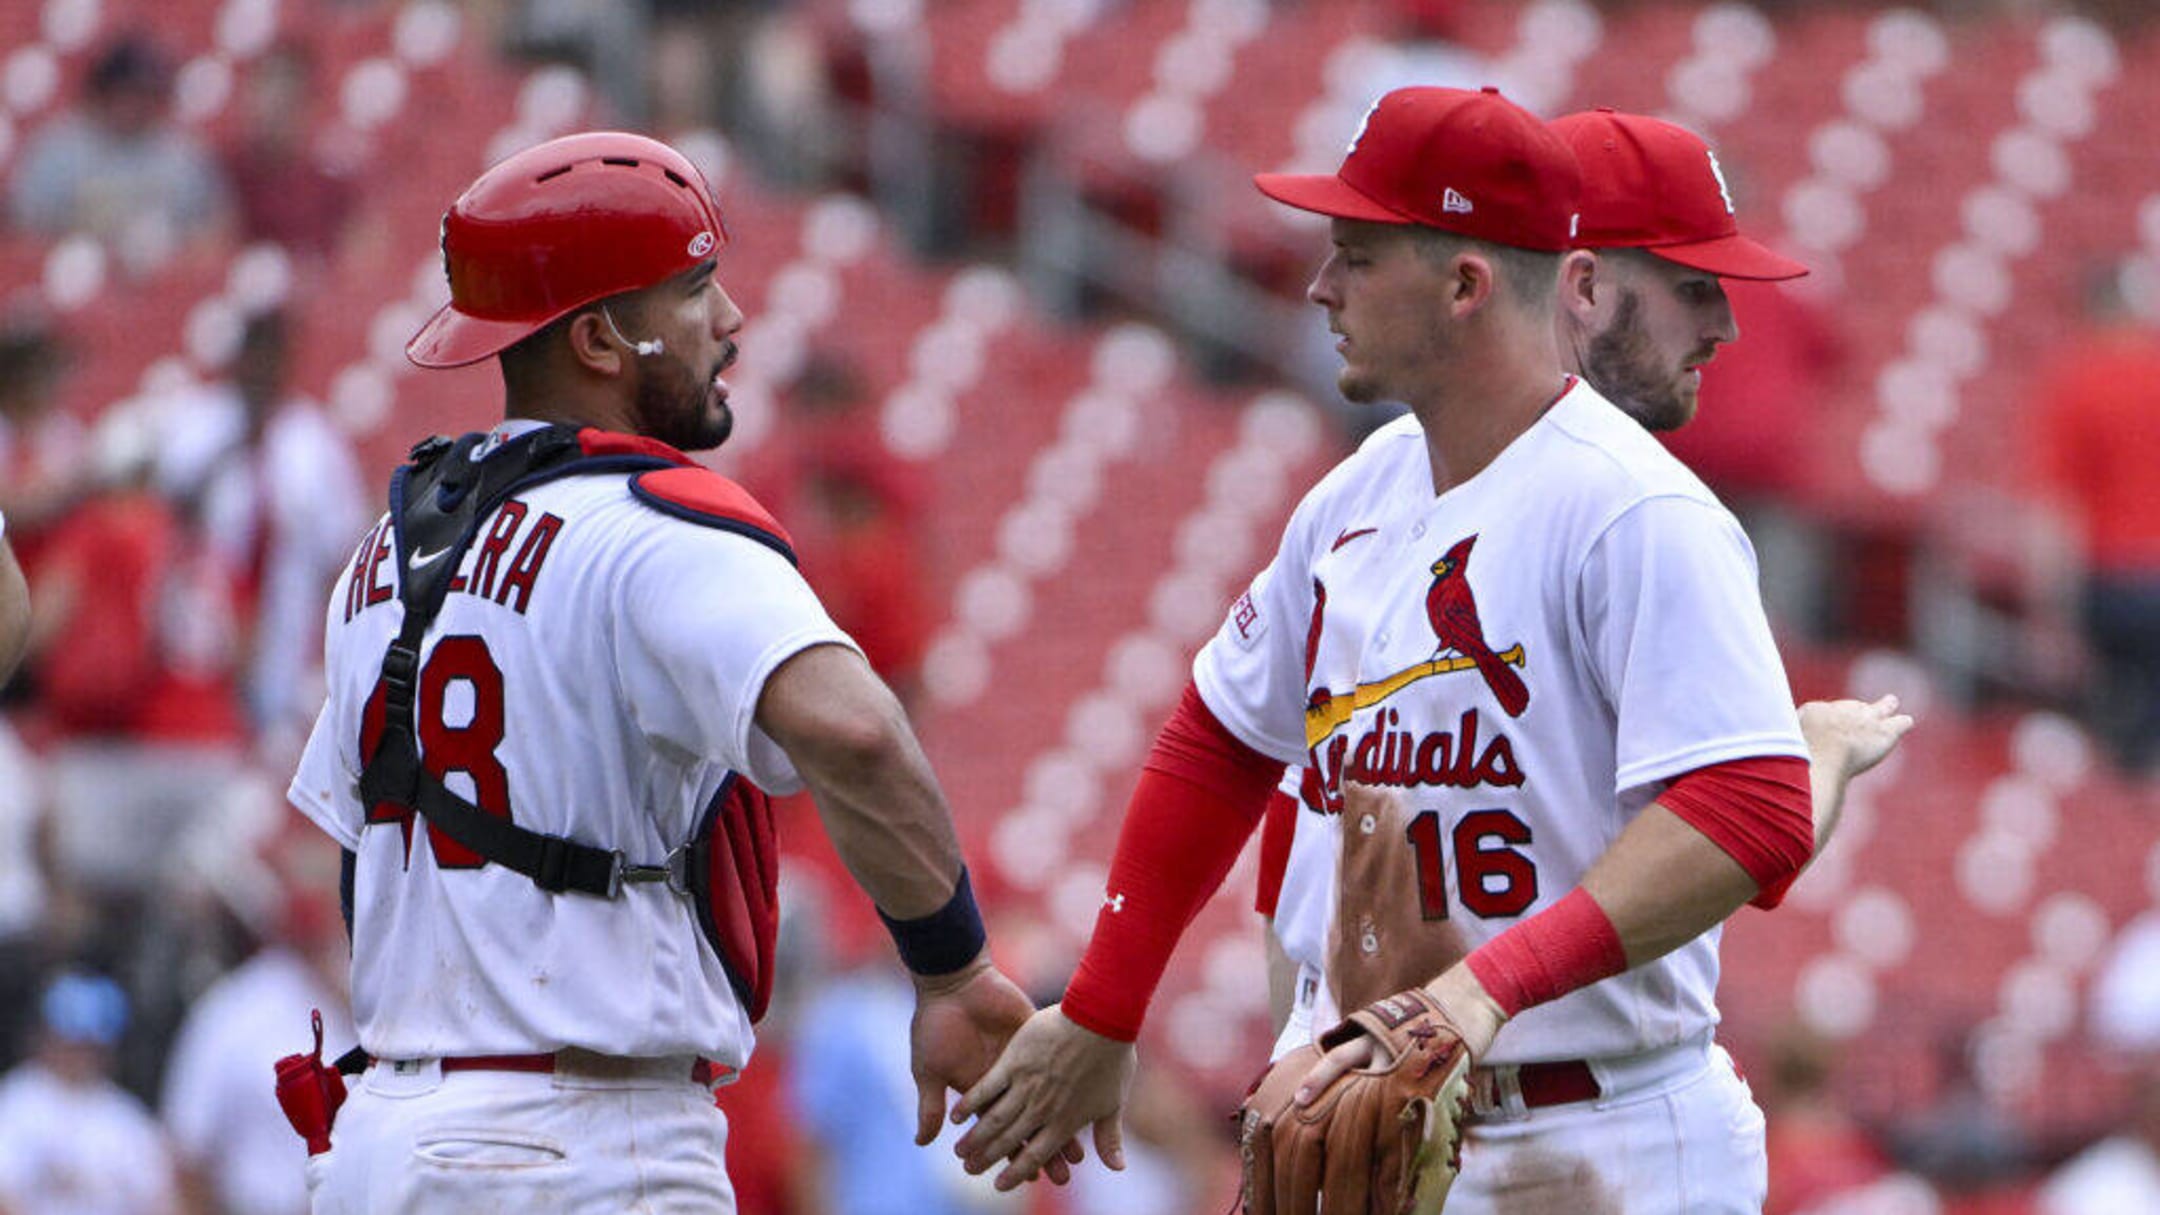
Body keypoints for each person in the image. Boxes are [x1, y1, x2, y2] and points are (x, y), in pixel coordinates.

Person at [953, 86, 1825, 1212]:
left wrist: (1479, 992)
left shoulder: (1633, 510)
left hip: (1598, 1133)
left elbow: (1754, 809)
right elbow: (1219, 740)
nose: (1320, 285)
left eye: (1356, 257)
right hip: (1377, 1129)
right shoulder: (1351, 499)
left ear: (1465, 285)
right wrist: (1105, 1008)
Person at [287, 131, 1053, 1213]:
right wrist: (955, 973)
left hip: (382, 1144)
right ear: (602, 338)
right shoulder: (656, 524)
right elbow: (860, 732)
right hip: (584, 1144)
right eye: (694, 291)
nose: (732, 321)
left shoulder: (380, 557)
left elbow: (363, 856)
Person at [1254, 107, 1913, 1056]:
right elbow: (1300, 805)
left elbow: (1738, 832)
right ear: (1581, 284)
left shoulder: (1639, 513)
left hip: (1566, 1117)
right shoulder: (1411, 483)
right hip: (1463, 1098)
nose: (1728, 324)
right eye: (1694, 288)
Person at [0, 970, 181, 1215]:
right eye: (71, 1042)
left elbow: (161, 1202)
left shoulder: (128, 1119)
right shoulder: (17, 1100)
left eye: (91, 1046)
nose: (80, 1056)